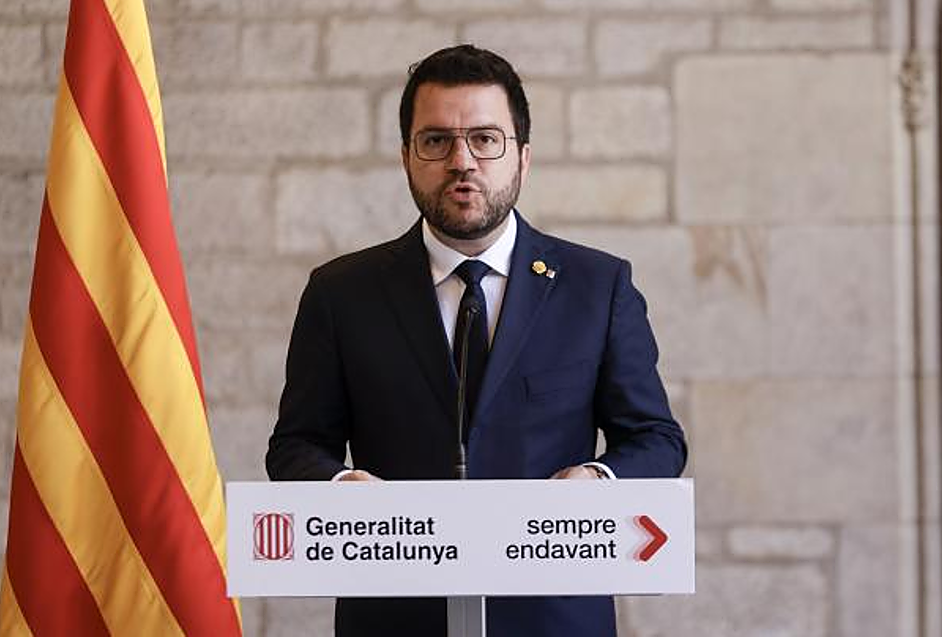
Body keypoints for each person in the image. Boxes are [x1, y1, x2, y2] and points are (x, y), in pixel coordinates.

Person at [266, 44, 687, 637]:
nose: (462, 161)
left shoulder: (598, 287)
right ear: (406, 157)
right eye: (436, 141)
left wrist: (598, 481)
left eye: (486, 139)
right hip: (395, 616)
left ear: (523, 157)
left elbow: (656, 439)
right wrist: (337, 487)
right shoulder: (341, 293)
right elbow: (296, 446)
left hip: (554, 616)